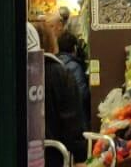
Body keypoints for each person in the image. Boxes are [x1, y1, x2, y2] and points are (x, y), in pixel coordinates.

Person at [38, 14, 88, 159]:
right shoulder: (61, 73)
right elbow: (72, 119)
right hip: (57, 154)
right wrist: (80, 155)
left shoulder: (19, 72)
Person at [57, 28, 91, 120]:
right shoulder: (75, 66)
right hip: (76, 116)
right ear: (75, 48)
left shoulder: (56, 64)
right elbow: (82, 94)